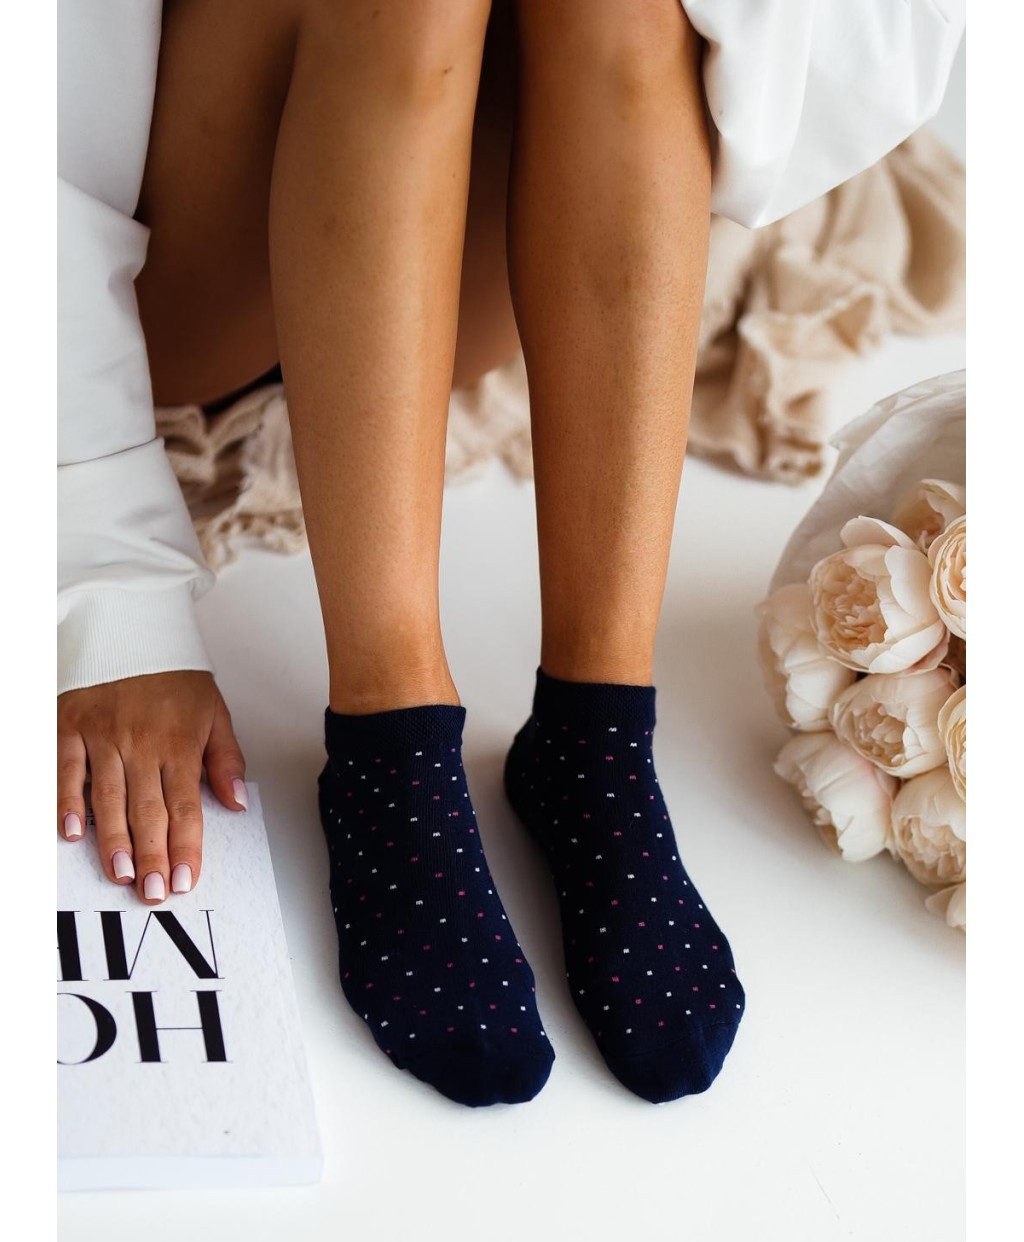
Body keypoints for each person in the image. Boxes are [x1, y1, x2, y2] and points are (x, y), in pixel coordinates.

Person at [57, 0, 965, 1106]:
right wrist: (113, 588)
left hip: (461, 233)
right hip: (178, 258)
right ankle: (389, 738)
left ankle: (595, 734)